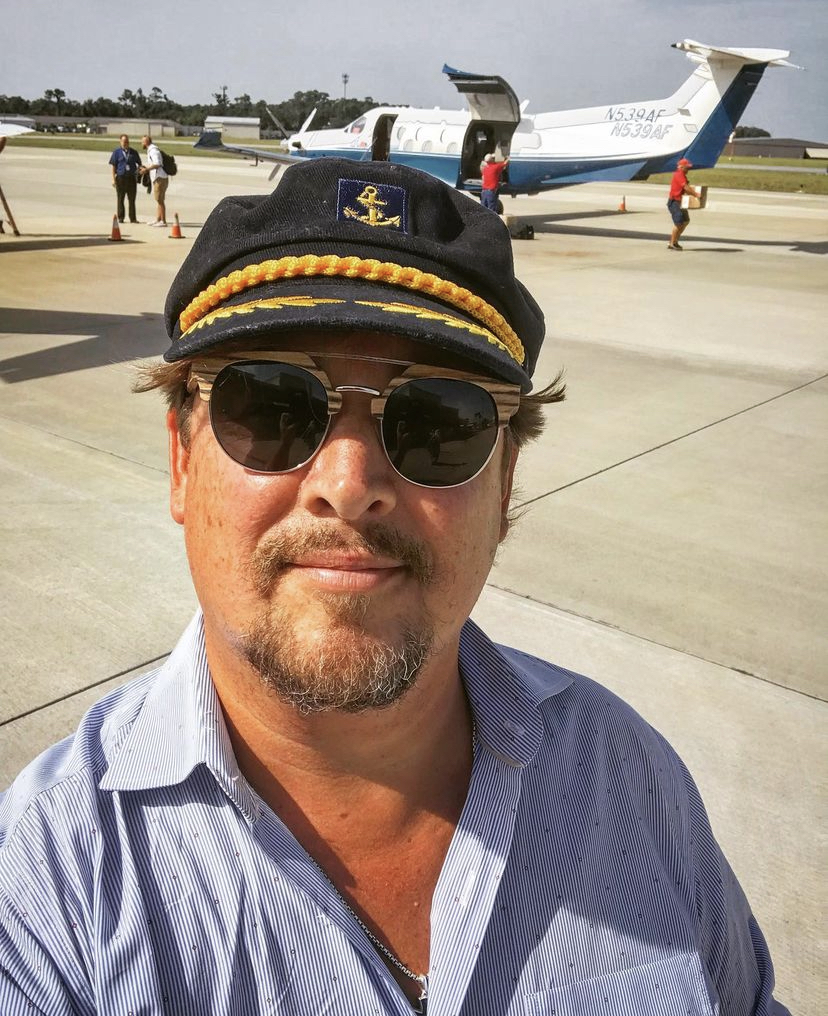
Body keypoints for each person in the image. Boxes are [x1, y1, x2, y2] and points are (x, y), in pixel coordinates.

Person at [0, 158, 789, 1016]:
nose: (349, 483)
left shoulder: (624, 773)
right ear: (182, 462)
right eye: (269, 406)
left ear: (505, 486)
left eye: (438, 419)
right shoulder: (46, 891)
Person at [667, 156, 702, 250]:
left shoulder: (683, 175)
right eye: (687, 167)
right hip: (674, 202)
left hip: (680, 202)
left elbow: (686, 189)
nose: (688, 169)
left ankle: (674, 241)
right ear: (681, 167)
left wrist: (693, 194)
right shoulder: (679, 174)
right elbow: (686, 187)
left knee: (686, 221)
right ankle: (671, 243)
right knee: (679, 223)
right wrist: (696, 194)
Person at [108, 133, 142, 224]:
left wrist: (139, 173)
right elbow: (113, 167)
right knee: (120, 199)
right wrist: (113, 179)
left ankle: (133, 218)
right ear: (120, 142)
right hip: (121, 178)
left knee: (132, 199)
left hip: (131, 178)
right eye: (123, 141)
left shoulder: (134, 152)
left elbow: (139, 164)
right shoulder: (116, 152)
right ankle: (121, 217)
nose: (125, 143)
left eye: (126, 141)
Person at [140, 133, 168, 226]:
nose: (141, 143)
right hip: (159, 178)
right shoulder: (151, 150)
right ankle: (158, 219)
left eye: (142, 142)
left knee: (160, 200)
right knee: (159, 200)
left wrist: (146, 170)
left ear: (146, 142)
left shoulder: (153, 151)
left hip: (159, 178)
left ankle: (163, 221)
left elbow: (158, 163)